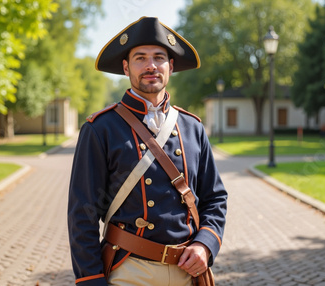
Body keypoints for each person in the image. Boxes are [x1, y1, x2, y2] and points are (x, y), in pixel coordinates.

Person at [67, 16, 227, 286]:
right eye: (140, 58)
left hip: (187, 271)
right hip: (129, 270)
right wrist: (91, 279)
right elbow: (82, 214)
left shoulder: (193, 127)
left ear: (171, 66)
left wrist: (205, 245)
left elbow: (214, 198)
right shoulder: (100, 128)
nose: (151, 65)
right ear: (126, 67)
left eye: (159, 57)